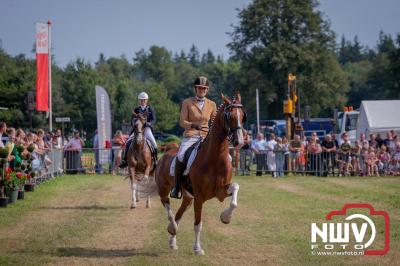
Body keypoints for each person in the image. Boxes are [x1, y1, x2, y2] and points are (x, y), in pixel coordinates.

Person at [170, 76, 217, 198]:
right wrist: (193, 125)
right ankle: (177, 187)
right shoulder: (187, 102)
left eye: (204, 88)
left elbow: (215, 122)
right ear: (195, 89)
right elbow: (182, 121)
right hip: (191, 136)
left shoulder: (212, 104)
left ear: (207, 90)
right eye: (200, 88)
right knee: (180, 156)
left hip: (206, 137)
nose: (202, 90)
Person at [119, 91, 157, 168]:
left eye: (144, 100)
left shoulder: (150, 109)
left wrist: (149, 124)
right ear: (139, 100)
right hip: (137, 130)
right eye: (141, 100)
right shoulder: (136, 109)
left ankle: (155, 160)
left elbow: (154, 120)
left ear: (147, 100)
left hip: (146, 129)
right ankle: (124, 160)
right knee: (127, 142)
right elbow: (132, 120)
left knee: (154, 144)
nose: (142, 101)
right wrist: (135, 125)